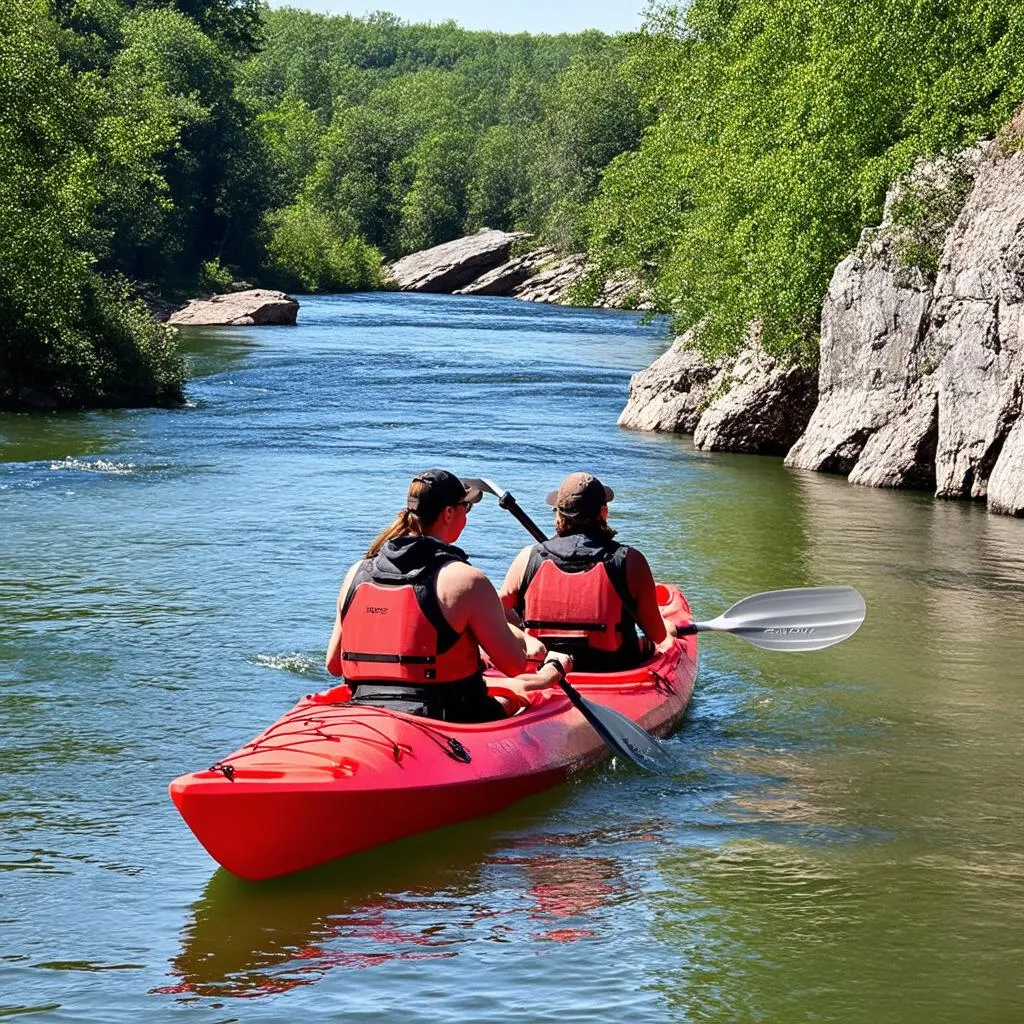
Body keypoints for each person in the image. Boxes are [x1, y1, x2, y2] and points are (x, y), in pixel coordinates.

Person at [326, 468, 571, 722]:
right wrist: (548, 664)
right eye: (466, 507)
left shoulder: (356, 573)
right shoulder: (467, 580)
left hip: (365, 710)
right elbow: (515, 666)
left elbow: (334, 665)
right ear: (449, 513)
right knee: (517, 697)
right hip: (448, 719)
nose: (466, 515)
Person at [499, 472, 675, 673]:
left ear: (558, 514)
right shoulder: (630, 561)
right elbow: (658, 634)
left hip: (545, 670)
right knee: (651, 644)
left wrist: (523, 637)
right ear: (604, 513)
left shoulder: (528, 557)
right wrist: (666, 627)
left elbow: (492, 615)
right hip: (613, 672)